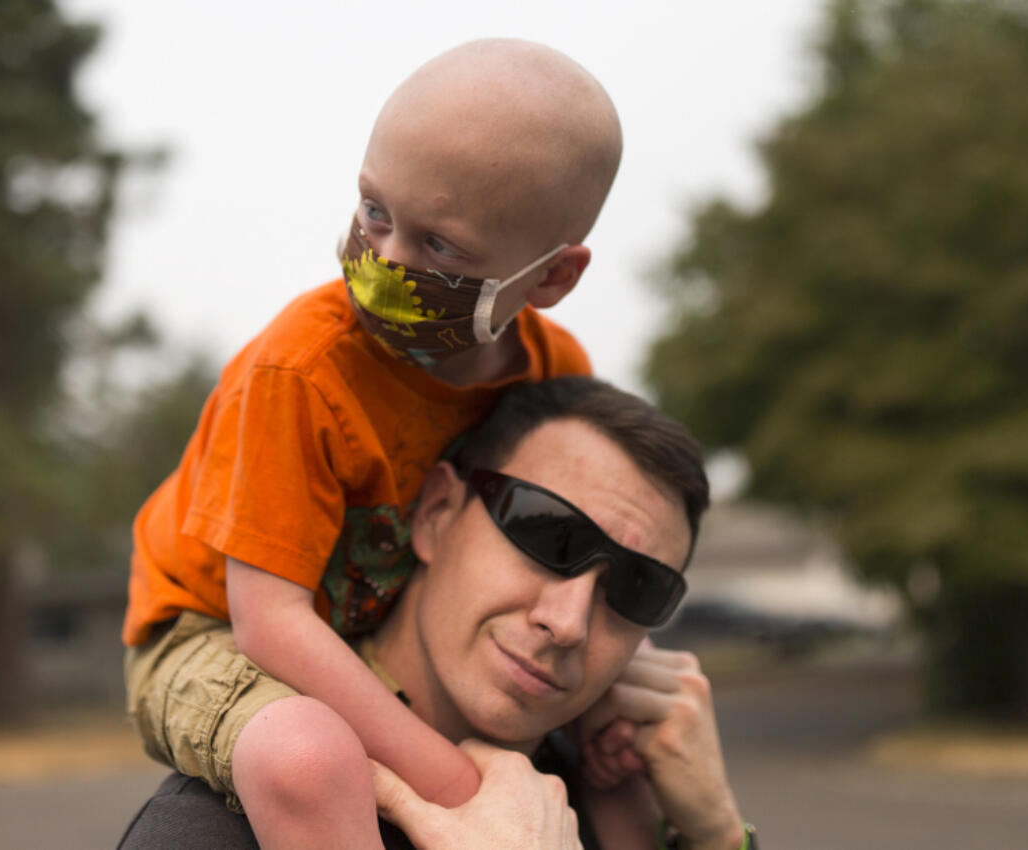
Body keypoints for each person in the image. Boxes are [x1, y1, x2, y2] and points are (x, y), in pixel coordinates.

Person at [122, 38, 625, 849]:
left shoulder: (554, 372)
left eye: (440, 247)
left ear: (553, 277)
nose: (384, 260)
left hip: (374, 628)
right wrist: (467, 791)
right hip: (208, 629)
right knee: (309, 757)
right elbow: (269, 625)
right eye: (375, 210)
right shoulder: (301, 371)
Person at [118, 377, 758, 850]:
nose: (569, 622)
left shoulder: (609, 798)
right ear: (436, 515)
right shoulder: (220, 830)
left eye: (636, 590)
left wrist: (720, 833)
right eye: (548, 536)